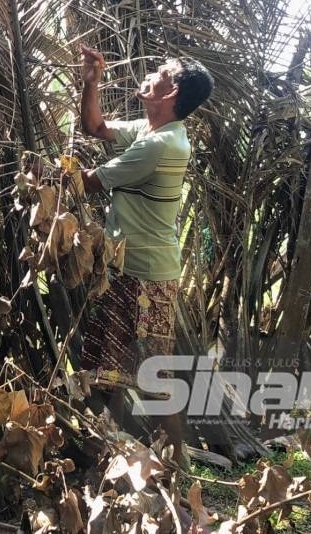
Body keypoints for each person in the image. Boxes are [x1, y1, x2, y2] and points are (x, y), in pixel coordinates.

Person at [77, 45, 213, 466]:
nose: (152, 73)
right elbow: (96, 128)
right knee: (111, 367)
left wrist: (48, 174)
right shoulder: (153, 131)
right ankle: (115, 460)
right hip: (128, 267)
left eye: (161, 72)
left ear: (170, 93)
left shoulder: (160, 146)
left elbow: (89, 183)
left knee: (150, 374)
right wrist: (91, 82)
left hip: (146, 274)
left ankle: (173, 463)